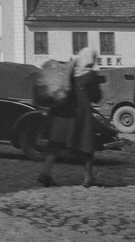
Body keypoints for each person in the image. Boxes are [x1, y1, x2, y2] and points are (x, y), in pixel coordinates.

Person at [37, 47, 103, 188]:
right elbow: (97, 97)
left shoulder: (69, 70)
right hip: (80, 115)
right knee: (86, 145)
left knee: (55, 145)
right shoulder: (90, 75)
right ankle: (88, 178)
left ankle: (45, 173)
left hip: (62, 113)